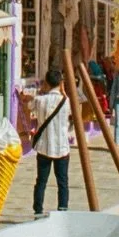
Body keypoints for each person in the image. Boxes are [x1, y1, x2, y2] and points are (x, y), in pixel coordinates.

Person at [30, 66, 71, 216]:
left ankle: (38, 210)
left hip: (44, 147)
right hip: (62, 147)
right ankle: (62, 209)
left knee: (41, 181)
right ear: (60, 83)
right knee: (63, 182)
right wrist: (63, 90)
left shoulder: (39, 100)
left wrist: (41, 91)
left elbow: (29, 106)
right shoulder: (66, 101)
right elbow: (72, 112)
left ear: (46, 82)